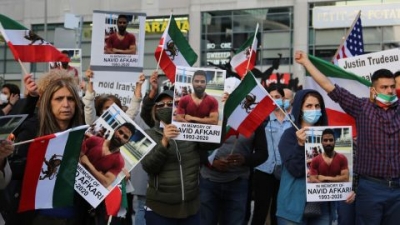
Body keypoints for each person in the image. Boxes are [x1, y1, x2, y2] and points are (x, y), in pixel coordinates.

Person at [295, 50, 399, 225]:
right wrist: (306, 62)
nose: (389, 90)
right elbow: (329, 87)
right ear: (373, 90)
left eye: (391, 86)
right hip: (370, 188)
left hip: (397, 189)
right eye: (384, 87)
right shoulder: (361, 107)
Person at [1, 70, 85, 225]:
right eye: (59, 99)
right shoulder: (32, 130)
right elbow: (14, 170)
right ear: (48, 102)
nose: (66, 104)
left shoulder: (83, 134)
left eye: (70, 99)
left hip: (73, 215)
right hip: (36, 216)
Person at [141, 89, 220, 225]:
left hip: (191, 209)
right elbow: (149, 166)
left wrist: (221, 111)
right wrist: (164, 141)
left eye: (170, 103)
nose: (165, 107)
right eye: (160, 105)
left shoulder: (191, 130)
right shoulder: (148, 134)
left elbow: (213, 143)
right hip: (159, 209)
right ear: (155, 110)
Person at [277, 89, 336, 225]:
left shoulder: (330, 136)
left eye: (317, 106)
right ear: (300, 109)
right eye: (308, 106)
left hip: (322, 208)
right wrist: (300, 145)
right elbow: (295, 170)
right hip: (293, 208)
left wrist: (346, 188)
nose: (314, 110)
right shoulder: (289, 135)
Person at [199, 118, 267, 224]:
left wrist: (245, 160)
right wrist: (211, 162)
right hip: (209, 182)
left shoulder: (255, 120)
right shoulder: (212, 115)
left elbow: (263, 154)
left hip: (238, 183)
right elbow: (196, 147)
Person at [251, 84, 292, 225]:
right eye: (271, 97)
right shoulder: (262, 119)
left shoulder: (292, 120)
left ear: (283, 99)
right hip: (264, 169)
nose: (274, 100)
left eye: (277, 97)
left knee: (278, 210)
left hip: (285, 171)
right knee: (260, 210)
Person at [80, 122, 135, 188]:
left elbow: (106, 182)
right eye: (120, 132)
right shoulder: (94, 140)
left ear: (127, 142)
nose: (120, 137)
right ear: (115, 130)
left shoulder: (119, 161)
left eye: (125, 137)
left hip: (87, 190)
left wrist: (88, 164)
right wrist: (99, 175)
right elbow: (76, 156)